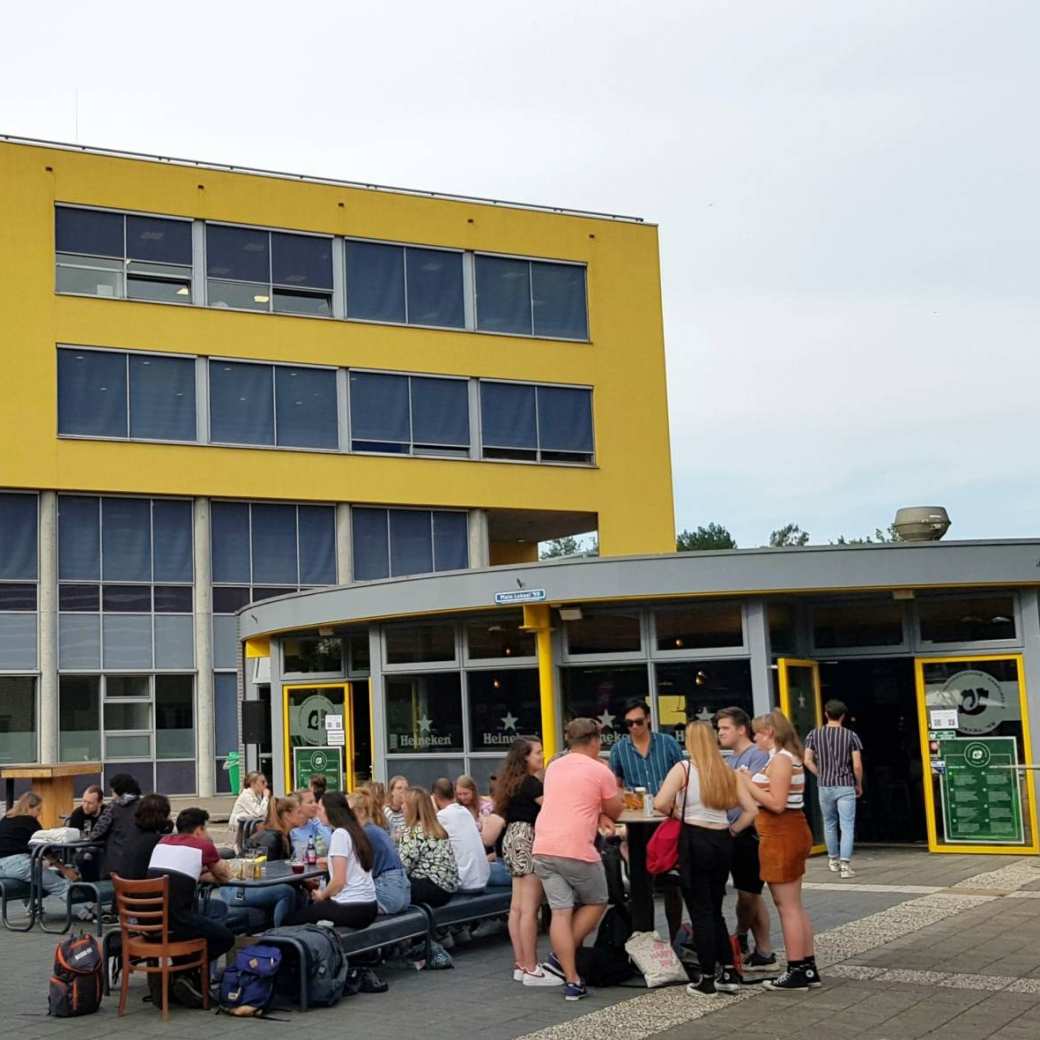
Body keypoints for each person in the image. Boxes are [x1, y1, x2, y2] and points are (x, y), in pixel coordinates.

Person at [654, 721, 758, 997]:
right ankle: (728, 970)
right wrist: (733, 831)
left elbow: (660, 803)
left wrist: (679, 813)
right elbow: (750, 811)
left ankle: (707, 977)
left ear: (689, 742)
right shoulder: (727, 772)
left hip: (695, 839)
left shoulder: (684, 769)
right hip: (723, 840)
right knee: (715, 908)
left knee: (699, 910)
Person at [533, 718, 624, 1001]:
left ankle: (572, 979)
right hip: (576, 849)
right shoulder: (600, 770)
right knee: (598, 900)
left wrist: (596, 812)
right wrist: (603, 811)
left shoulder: (554, 767)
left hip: (544, 845)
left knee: (561, 911)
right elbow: (617, 809)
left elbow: (568, 801)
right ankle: (563, 957)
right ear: (595, 740)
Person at [741, 710, 820, 992]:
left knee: (786, 907)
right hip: (788, 832)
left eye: (757, 733)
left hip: (781, 833)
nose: (755, 738)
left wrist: (747, 782)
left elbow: (776, 803)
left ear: (770, 733)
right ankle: (807, 966)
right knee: (794, 906)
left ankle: (797, 968)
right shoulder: (784, 758)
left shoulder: (782, 760)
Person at [609, 698, 685, 941]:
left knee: (672, 881)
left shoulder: (668, 743)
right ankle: (645, 938)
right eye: (628, 724)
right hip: (637, 822)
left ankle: (676, 936)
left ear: (649, 719)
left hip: (667, 820)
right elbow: (616, 785)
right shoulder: (620, 749)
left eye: (638, 722)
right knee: (641, 882)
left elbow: (683, 775)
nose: (634, 727)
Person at [147, 807, 235, 1008]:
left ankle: (184, 976)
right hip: (175, 922)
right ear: (199, 830)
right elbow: (225, 877)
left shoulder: (162, 842)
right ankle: (184, 972)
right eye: (206, 829)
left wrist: (199, 873)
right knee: (224, 937)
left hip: (148, 922)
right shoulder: (203, 846)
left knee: (210, 913)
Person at [716, 706, 777, 973]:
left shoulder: (757, 755)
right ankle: (764, 950)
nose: (720, 733)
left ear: (742, 729)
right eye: (718, 729)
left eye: (725, 728)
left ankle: (740, 935)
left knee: (749, 894)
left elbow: (754, 793)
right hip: (731, 830)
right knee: (750, 893)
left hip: (750, 833)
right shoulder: (728, 760)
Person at [493, 736, 551, 985]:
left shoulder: (509, 784)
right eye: (537, 752)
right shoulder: (531, 784)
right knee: (530, 908)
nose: (541, 756)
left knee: (516, 907)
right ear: (525, 757)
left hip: (512, 838)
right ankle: (532, 966)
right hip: (528, 836)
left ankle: (520, 963)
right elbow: (550, 810)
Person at [287, 792, 377, 928]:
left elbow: (339, 882)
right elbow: (353, 863)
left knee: (290, 921)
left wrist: (321, 896)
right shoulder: (356, 830)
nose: (318, 812)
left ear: (331, 811)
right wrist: (330, 862)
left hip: (350, 907)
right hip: (369, 905)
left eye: (321, 809)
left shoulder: (339, 834)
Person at [219, 797, 308, 928]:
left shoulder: (283, 836)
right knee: (286, 891)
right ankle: (280, 934)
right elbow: (270, 875)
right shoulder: (271, 838)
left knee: (300, 892)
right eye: (299, 812)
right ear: (287, 815)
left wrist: (304, 883)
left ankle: (298, 930)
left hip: (246, 885)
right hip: (237, 889)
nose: (303, 815)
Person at [804, 699, 864, 879]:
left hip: (825, 785)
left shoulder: (814, 735)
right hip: (845, 784)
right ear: (843, 716)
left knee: (829, 823)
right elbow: (857, 765)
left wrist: (819, 774)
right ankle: (846, 865)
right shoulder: (851, 736)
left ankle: (833, 860)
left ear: (826, 714)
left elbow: (807, 760)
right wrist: (858, 783)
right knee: (847, 825)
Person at [0, 792, 70, 912]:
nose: (39, 813)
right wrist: (65, 870)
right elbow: (44, 849)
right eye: (38, 809)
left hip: (2, 867)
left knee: (30, 874)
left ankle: (31, 906)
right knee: (60, 885)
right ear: (29, 808)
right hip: (18, 865)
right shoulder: (29, 821)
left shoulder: (6, 819)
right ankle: (90, 912)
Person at [349, 789, 411, 915]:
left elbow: (355, 871)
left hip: (387, 894)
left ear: (360, 812)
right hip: (403, 893)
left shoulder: (364, 834)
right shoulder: (376, 830)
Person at [397, 787, 459, 907]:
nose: (402, 807)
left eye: (404, 803)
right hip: (448, 888)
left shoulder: (413, 832)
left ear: (412, 807)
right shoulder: (437, 828)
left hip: (430, 889)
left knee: (389, 887)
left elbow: (403, 868)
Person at [432, 778, 490, 893]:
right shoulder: (465, 812)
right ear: (454, 793)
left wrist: (433, 807)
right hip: (483, 879)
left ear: (435, 797)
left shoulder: (442, 817)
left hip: (465, 883)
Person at [108, 793, 173, 880]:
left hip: (124, 889)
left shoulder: (131, 836)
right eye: (167, 815)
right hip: (146, 890)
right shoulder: (157, 842)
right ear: (161, 816)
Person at [91, 773, 143, 878]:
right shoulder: (145, 806)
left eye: (112, 792)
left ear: (119, 791)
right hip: (139, 865)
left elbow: (96, 833)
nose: (112, 796)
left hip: (115, 867)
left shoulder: (113, 807)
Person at [67, 785, 105, 881]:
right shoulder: (78, 814)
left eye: (90, 803)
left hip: (103, 850)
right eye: (84, 801)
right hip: (82, 850)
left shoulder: (107, 813)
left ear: (99, 803)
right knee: (86, 857)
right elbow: (72, 838)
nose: (85, 806)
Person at [227, 772, 269, 846]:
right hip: (240, 830)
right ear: (253, 783)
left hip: (247, 828)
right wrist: (266, 797)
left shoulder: (257, 795)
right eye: (262, 782)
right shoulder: (246, 795)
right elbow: (259, 813)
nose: (266, 784)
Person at [290, 787, 333, 858]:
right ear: (298, 806)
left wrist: (316, 818)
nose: (315, 805)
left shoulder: (317, 824)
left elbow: (330, 844)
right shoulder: (292, 830)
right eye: (310, 802)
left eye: (315, 801)